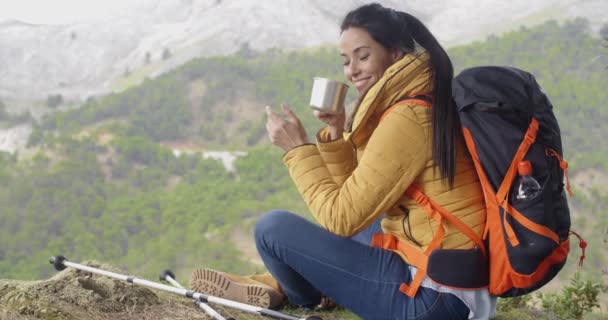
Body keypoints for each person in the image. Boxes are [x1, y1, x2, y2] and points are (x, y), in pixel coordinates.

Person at [190, 3, 496, 319]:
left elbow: (341, 218)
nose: (352, 70)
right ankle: (294, 282)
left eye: (363, 56)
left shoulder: (408, 118)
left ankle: (303, 293)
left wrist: (297, 150)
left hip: (433, 300)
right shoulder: (417, 101)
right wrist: (336, 135)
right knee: (360, 224)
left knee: (272, 229)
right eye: (346, 61)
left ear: (394, 54)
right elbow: (357, 197)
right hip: (448, 280)